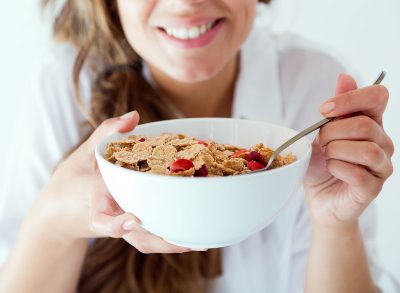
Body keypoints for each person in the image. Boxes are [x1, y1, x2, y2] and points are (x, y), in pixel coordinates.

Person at [0, 0, 396, 292]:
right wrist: (55, 222)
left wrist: (335, 226)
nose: (186, 6)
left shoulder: (312, 87)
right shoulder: (67, 85)